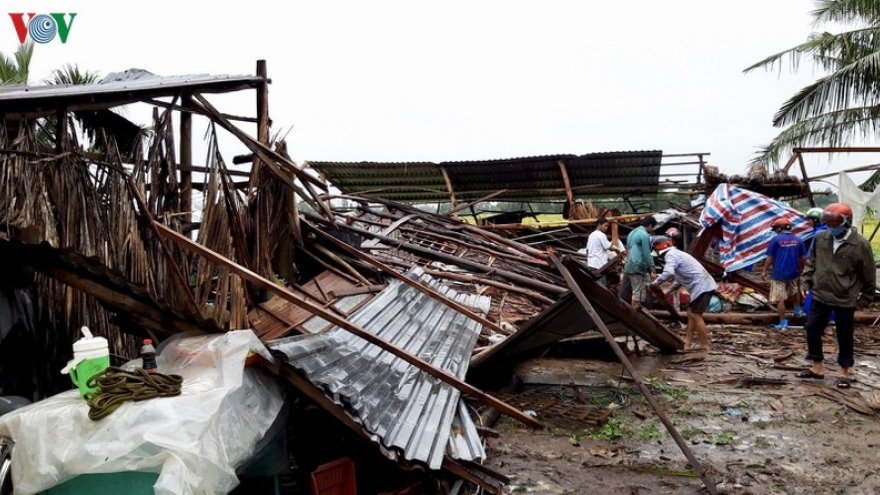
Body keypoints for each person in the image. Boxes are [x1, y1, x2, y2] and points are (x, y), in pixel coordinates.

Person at [798, 203, 875, 388]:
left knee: (844, 334)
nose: (832, 228)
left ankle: (844, 370)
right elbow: (812, 261)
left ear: (846, 222)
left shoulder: (860, 244)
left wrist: (865, 299)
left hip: (845, 297)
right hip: (820, 293)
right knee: (812, 329)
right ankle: (817, 367)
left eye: (836, 224)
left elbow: (868, 274)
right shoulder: (821, 238)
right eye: (829, 223)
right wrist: (806, 280)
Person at [650, 237, 718, 351]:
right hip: (703, 285)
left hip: (702, 286)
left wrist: (654, 283)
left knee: (696, 315)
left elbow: (668, 273)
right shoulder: (676, 254)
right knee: (691, 313)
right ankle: (687, 342)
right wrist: (667, 290)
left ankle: (705, 345)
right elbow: (678, 280)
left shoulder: (670, 255)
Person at [761, 218, 807, 330]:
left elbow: (770, 257)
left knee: (779, 298)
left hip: (779, 273)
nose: (776, 231)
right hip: (794, 272)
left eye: (776, 229)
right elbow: (803, 258)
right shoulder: (798, 240)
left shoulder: (776, 240)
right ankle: (797, 309)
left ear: (780, 228)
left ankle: (783, 322)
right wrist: (804, 270)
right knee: (795, 290)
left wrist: (764, 271)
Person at [623, 216, 657, 310]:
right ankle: (636, 312)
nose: (652, 230)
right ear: (650, 225)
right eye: (652, 227)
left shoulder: (632, 233)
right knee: (637, 291)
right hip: (637, 265)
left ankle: (645, 307)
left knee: (645, 285)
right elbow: (646, 254)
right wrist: (652, 268)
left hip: (629, 262)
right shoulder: (644, 235)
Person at [586, 217, 623, 285]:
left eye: (607, 226)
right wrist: (618, 251)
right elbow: (609, 247)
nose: (606, 228)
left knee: (594, 285)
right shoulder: (601, 235)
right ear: (599, 225)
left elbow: (587, 250)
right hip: (599, 265)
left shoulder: (591, 235)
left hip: (591, 264)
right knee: (601, 285)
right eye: (605, 225)